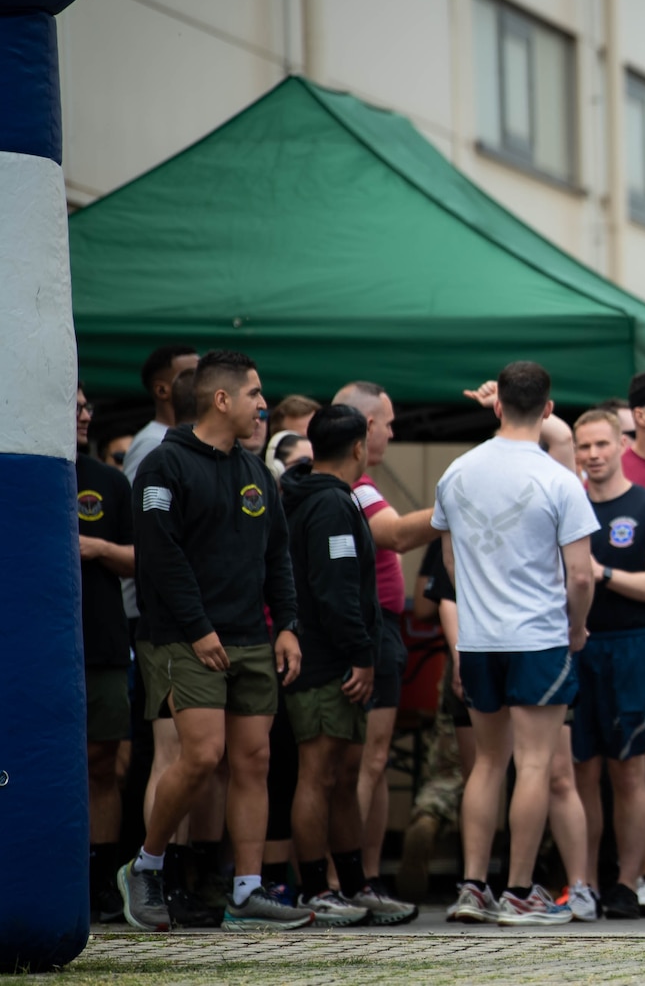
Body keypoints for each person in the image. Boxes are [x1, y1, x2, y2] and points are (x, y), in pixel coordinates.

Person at [121, 350, 313, 931]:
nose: (264, 404)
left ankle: (247, 891)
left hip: (250, 637)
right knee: (201, 755)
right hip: (183, 637)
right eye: (255, 394)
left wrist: (286, 625)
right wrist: (200, 629)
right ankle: (146, 866)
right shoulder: (164, 464)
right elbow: (160, 557)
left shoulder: (255, 471)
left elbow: (277, 553)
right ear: (221, 399)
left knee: (253, 760)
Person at [436, 361, 599, 926]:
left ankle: (471, 885)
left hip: (480, 641)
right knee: (533, 765)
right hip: (538, 637)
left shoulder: (456, 471)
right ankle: (519, 890)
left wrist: (479, 606)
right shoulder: (560, 480)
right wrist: (576, 627)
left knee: (486, 764)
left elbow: (450, 558)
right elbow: (582, 576)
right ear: (550, 409)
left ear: (498, 404)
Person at [278, 404, 413, 926]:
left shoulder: (315, 495)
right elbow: (335, 592)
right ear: (358, 448)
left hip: (334, 658)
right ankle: (317, 889)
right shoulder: (332, 504)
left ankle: (355, 885)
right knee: (318, 774)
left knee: (341, 773)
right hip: (327, 664)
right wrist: (361, 654)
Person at [331, 381, 441, 902]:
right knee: (361, 762)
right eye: (389, 422)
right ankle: (346, 879)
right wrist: (453, 508)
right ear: (366, 426)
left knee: (371, 761)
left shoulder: (363, 480)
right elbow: (394, 534)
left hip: (383, 631)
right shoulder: (355, 484)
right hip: (368, 632)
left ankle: (365, 878)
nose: (395, 432)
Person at [567, 410, 645, 921]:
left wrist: (599, 572)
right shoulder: (569, 502)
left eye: (601, 444)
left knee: (629, 771)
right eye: (584, 447)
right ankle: (583, 882)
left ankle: (626, 883)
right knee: (582, 771)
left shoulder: (644, 505)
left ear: (619, 445)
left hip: (632, 645)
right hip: (577, 647)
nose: (593, 455)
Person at [77, 386, 137, 921]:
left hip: (102, 642)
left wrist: (95, 548)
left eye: (86, 407)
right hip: (34, 650)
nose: (83, 415)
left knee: (104, 764)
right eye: (73, 406)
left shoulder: (108, 482)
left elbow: (143, 557)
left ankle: (101, 885)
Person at [123, 345, 199, 481]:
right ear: (161, 390)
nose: (204, 382)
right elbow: (136, 498)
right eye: (191, 376)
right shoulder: (151, 443)